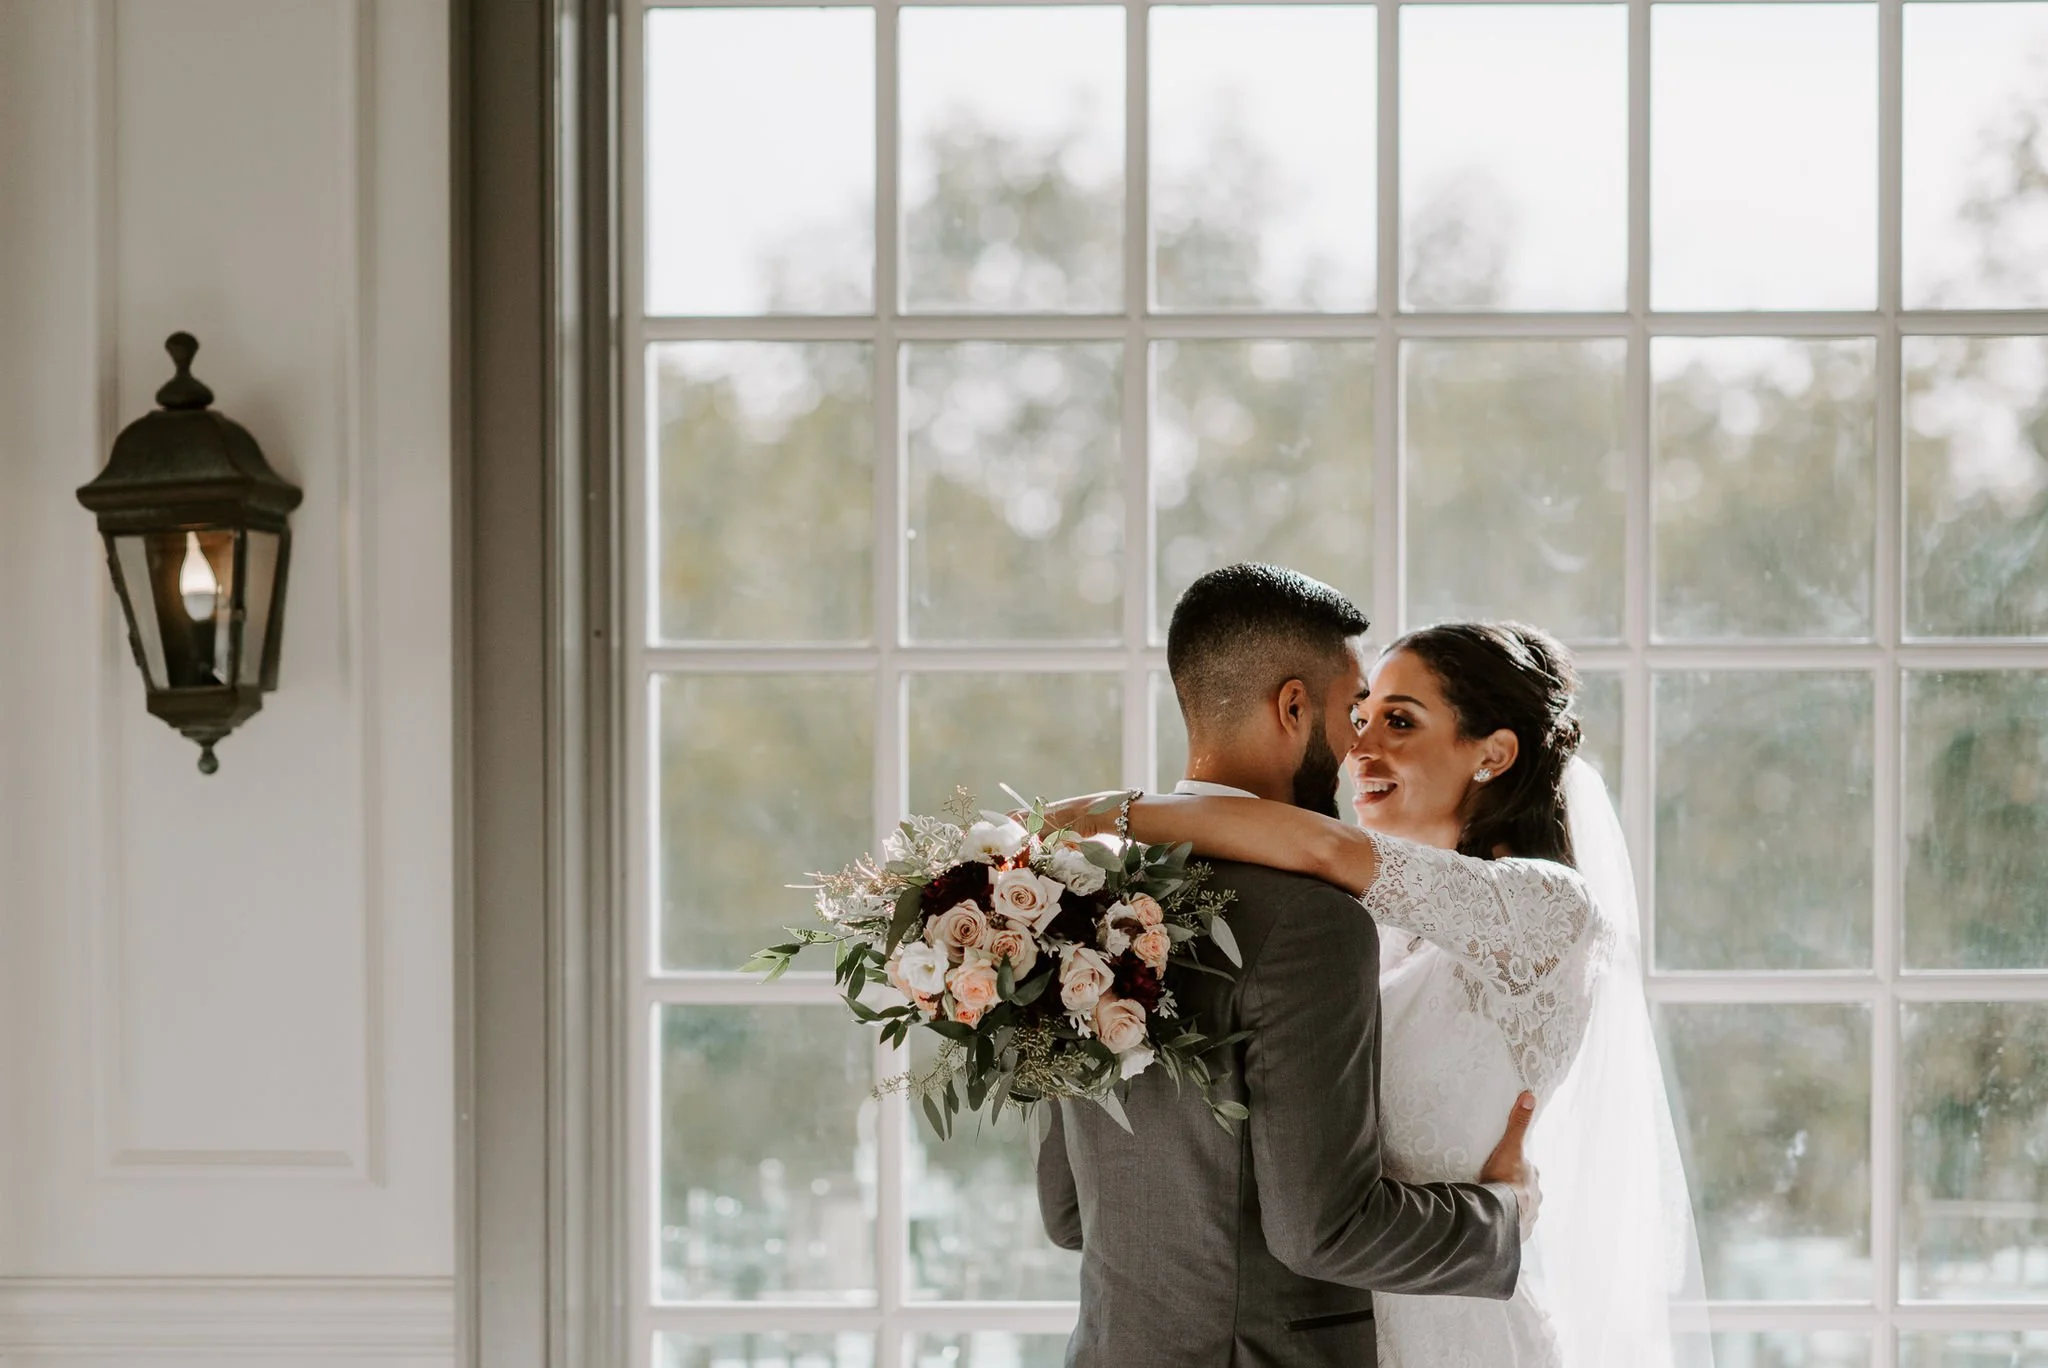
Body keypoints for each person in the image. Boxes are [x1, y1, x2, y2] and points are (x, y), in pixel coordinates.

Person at [1041, 597, 1711, 1368]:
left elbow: (1320, 846)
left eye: (1398, 722)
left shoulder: (1544, 906)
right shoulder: (1349, 922)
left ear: (1491, 753)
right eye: (1358, 718)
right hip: (1338, 1326)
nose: (1359, 749)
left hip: (1453, 1325)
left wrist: (1101, 815)